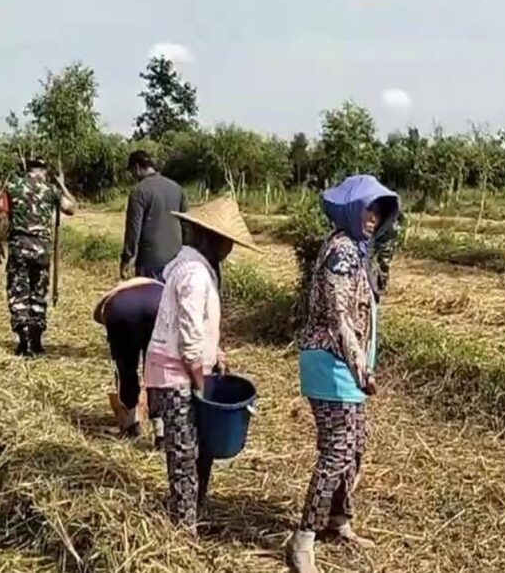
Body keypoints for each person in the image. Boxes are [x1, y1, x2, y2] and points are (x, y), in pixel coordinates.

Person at [288, 175, 400, 573]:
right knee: (337, 449)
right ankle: (304, 537)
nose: (374, 217)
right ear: (352, 209)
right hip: (331, 364)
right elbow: (340, 319)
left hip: (348, 367)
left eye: (380, 211)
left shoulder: (358, 250)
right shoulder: (341, 252)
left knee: (356, 445)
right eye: (369, 208)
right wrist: (360, 369)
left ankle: (339, 519)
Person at [144, 196, 260, 533]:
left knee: (200, 448)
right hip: (175, 373)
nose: (229, 250)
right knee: (184, 454)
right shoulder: (194, 273)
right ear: (212, 238)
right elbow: (189, 335)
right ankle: (185, 529)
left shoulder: (196, 267)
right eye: (227, 242)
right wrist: (200, 380)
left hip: (188, 368)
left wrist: (216, 356)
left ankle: (194, 510)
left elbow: (200, 330)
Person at [0, 157, 76, 357]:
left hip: (20, 249)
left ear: (27, 170)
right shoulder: (50, 190)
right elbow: (71, 207)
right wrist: (62, 185)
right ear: (44, 172)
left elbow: (2, 218)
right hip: (42, 252)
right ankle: (37, 342)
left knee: (19, 293)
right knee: (38, 293)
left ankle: (24, 342)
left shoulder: (11, 188)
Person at [93, 277, 165, 437]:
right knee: (156, 368)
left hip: (121, 310)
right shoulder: (158, 287)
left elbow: (101, 315)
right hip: (158, 305)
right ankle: (161, 431)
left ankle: (131, 423)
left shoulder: (112, 303)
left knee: (126, 368)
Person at [121, 150, 188, 281]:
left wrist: (126, 259)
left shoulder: (139, 191)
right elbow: (187, 226)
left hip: (150, 262)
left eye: (132, 171)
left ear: (137, 167)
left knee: (150, 300)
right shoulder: (178, 189)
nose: (133, 175)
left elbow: (133, 231)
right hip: (176, 261)